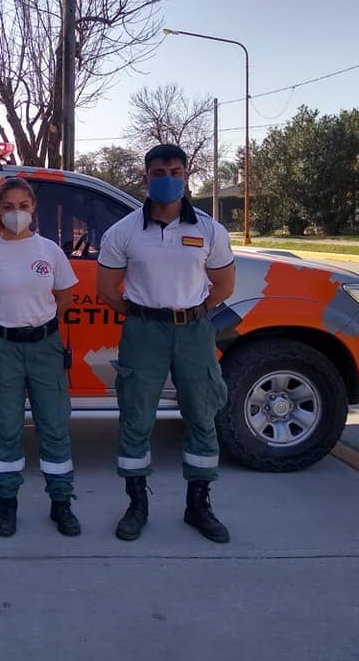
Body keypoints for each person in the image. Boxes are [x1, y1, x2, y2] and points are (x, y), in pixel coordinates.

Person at [96, 143, 236, 544]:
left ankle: (199, 505)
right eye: (159, 173)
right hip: (143, 331)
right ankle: (136, 504)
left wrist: (192, 312)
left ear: (186, 176)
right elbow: (107, 289)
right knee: (136, 418)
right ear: (146, 178)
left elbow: (224, 284)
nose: (168, 179)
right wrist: (144, 316)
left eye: (175, 171)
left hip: (194, 330)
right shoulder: (123, 232)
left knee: (202, 413)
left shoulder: (209, 229)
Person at [0, 177, 81, 537]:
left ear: (33, 208)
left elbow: (64, 296)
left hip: (45, 345)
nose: (16, 213)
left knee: (54, 425)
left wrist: (37, 325)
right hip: (3, 348)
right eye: (8, 206)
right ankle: (7, 505)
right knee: (5, 428)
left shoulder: (49, 251)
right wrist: (7, 328)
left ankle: (61, 504)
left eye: (23, 205)